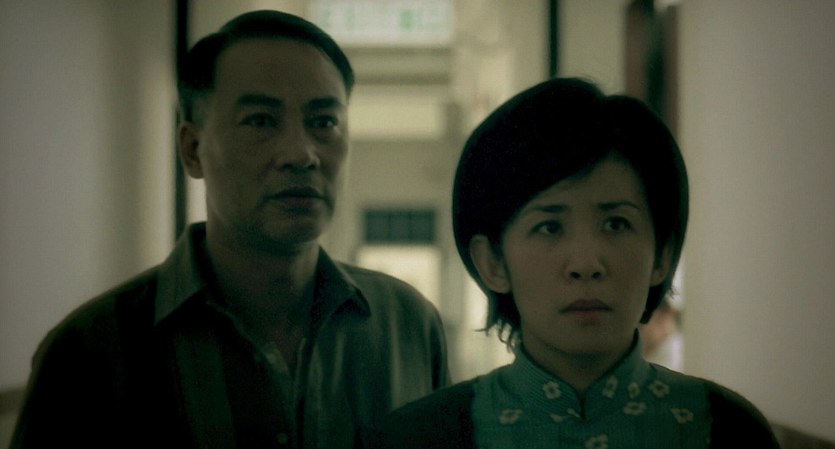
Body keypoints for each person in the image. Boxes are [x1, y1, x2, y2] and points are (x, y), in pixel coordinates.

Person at [11, 10, 448, 449]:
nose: (301, 154)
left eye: (324, 122)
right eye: (260, 121)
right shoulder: (92, 351)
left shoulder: (407, 326)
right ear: (192, 149)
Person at [369, 78, 779, 448]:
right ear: (493, 262)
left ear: (662, 255)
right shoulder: (418, 438)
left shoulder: (730, 432)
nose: (586, 264)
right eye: (549, 228)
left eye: (616, 224)